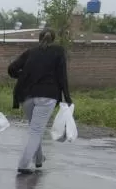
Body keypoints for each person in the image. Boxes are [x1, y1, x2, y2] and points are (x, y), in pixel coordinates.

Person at [7, 28, 72, 175]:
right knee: (36, 131)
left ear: (39, 38)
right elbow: (62, 76)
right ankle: (23, 164)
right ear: (53, 39)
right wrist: (67, 97)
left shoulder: (30, 52)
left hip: (27, 96)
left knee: (34, 129)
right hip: (47, 96)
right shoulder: (58, 51)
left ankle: (38, 159)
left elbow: (11, 69)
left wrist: (23, 76)